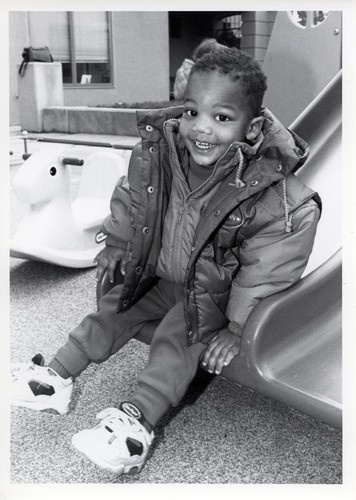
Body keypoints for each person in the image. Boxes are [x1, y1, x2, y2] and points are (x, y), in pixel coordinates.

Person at [11, 47, 321, 476]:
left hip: (215, 296)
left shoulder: (275, 198)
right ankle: (54, 378)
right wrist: (118, 243)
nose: (202, 129)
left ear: (251, 130)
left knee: (180, 333)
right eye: (193, 111)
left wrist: (237, 327)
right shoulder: (161, 154)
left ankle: (135, 425)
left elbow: (267, 270)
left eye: (222, 118)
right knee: (117, 304)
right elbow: (134, 200)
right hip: (167, 275)